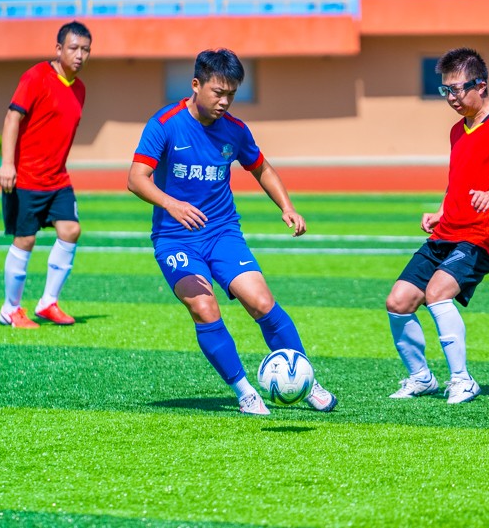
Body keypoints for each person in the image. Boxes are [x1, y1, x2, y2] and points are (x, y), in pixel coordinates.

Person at [126, 48, 337, 416]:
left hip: (222, 232)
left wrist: (287, 207)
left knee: (262, 303)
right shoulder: (164, 124)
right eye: (218, 92)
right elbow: (135, 179)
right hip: (176, 239)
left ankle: (305, 381)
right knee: (204, 307)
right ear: (196, 85)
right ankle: (244, 391)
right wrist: (171, 205)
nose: (224, 102)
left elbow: (262, 169)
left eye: (232, 94)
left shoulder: (235, 131)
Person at [386, 47, 489, 404]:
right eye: (445, 90)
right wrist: (440, 211)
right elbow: (459, 180)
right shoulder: (458, 130)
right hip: (447, 232)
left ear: (480, 85)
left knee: (437, 293)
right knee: (399, 300)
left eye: (456, 89)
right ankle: (421, 377)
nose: (450, 97)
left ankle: (462, 380)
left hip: (480, 236)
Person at [0, 21, 93, 329]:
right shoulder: (36, 76)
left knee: (71, 230)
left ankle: (47, 302)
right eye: (74, 48)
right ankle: (10, 309)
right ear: (59, 49)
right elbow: (13, 117)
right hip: (26, 177)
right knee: (24, 240)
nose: (79, 55)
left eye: (85, 50)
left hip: (58, 179)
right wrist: (7, 164)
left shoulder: (79, 89)